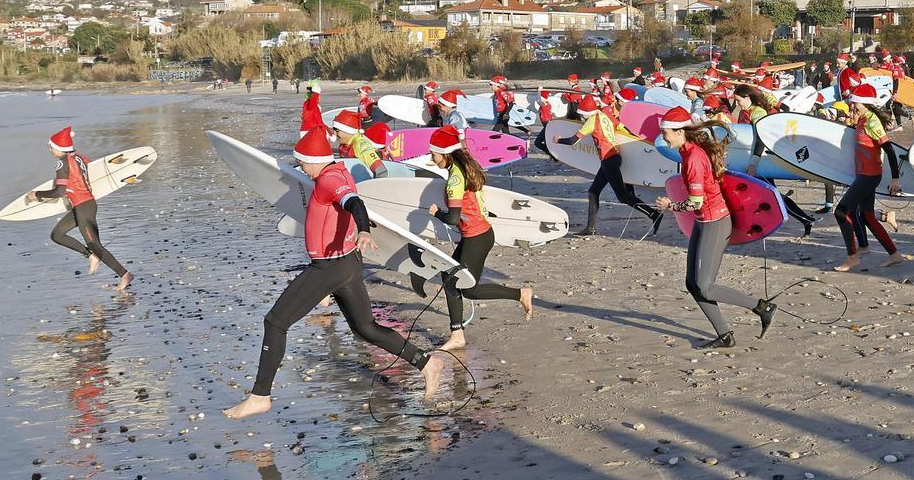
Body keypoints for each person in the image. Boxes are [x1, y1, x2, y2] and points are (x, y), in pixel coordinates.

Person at [223, 131, 445, 419]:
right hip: (347, 264)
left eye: (301, 162)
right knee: (365, 328)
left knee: (275, 322)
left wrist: (363, 229)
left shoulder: (330, 180)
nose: (300, 167)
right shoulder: (335, 171)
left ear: (312, 161)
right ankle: (426, 363)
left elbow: (355, 204)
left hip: (330, 267)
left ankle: (260, 395)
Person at [653, 107, 775, 348]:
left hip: (715, 222)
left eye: (665, 132)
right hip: (704, 221)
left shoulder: (693, 159)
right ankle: (725, 335)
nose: (663, 137)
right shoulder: (688, 153)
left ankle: (762, 307)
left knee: (705, 286)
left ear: (679, 132)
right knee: (693, 283)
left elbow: (695, 202)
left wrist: (670, 205)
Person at [426, 126, 533, 351]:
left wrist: (436, 213)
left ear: (444, 153)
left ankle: (520, 294)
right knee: (449, 280)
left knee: (468, 288)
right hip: (475, 234)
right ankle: (457, 335)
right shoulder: (463, 167)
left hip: (477, 236)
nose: (431, 158)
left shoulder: (456, 177)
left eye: (433, 153)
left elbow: (454, 218)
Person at [25, 127, 132, 291]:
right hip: (83, 206)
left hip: (84, 207)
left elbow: (59, 192)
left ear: (59, 148)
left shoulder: (62, 163)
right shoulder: (81, 158)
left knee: (95, 244)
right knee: (57, 234)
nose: (49, 150)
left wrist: (36, 195)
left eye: (51, 146)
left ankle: (124, 275)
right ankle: (90, 256)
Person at [557, 95, 663, 235]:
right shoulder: (604, 114)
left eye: (582, 114)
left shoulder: (591, 122)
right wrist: (637, 141)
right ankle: (590, 228)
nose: (582, 117)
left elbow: (572, 141)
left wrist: (558, 140)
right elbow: (622, 128)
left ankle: (654, 214)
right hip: (612, 158)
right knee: (593, 192)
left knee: (622, 196)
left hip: (609, 160)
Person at [833, 84, 905, 272]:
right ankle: (894, 255)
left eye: (854, 103)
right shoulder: (863, 119)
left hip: (869, 175)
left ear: (864, 103)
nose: (851, 107)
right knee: (867, 216)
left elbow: (889, 150)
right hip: (863, 174)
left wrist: (895, 178)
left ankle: (852, 257)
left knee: (841, 212)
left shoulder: (872, 121)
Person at [733, 84, 815, 236]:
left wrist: (753, 163)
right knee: (766, 194)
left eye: (739, 101)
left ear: (747, 97)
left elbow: (760, 140)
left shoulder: (758, 113)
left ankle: (805, 219)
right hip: (749, 159)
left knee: (774, 195)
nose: (737, 104)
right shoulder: (745, 111)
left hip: (760, 160)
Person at [332, 110, 389, 178]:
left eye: (337, 131)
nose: (334, 134)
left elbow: (381, 171)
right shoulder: (344, 144)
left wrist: (374, 187)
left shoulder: (360, 145)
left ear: (347, 130)